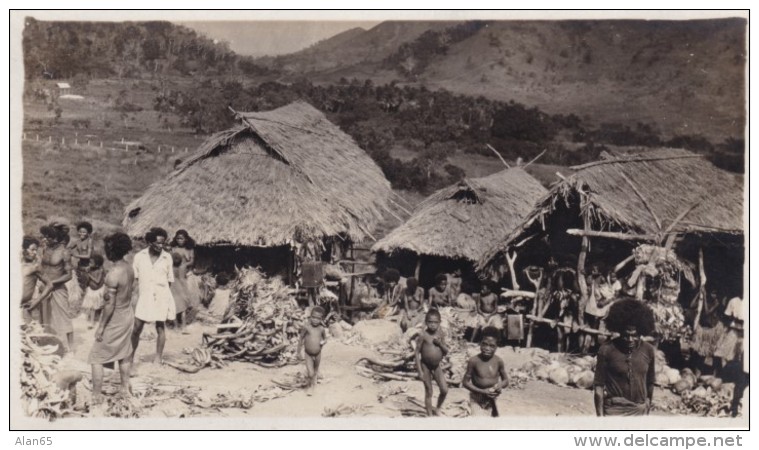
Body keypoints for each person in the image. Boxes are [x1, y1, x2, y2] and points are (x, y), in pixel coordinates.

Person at [89, 232, 135, 405]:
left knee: (96, 357)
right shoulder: (129, 268)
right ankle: (124, 389)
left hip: (115, 318)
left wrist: (101, 327)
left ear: (110, 251)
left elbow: (109, 306)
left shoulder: (113, 274)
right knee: (124, 353)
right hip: (127, 314)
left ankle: (96, 396)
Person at [593, 298, 656, 416]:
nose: (630, 340)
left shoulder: (648, 350)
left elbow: (650, 383)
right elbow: (598, 387)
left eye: (634, 335)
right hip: (614, 412)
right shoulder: (606, 350)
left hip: (639, 412)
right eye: (626, 335)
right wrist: (600, 418)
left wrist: (647, 407)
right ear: (619, 330)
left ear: (641, 332)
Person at [131, 227, 175, 366]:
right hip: (144, 296)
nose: (161, 246)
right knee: (137, 327)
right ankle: (130, 357)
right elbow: (135, 280)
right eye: (158, 243)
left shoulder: (167, 257)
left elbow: (169, 280)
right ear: (149, 242)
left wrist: (164, 297)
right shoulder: (139, 257)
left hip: (161, 296)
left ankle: (158, 357)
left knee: (160, 327)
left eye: (163, 243)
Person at [28, 223, 75, 351]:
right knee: (44, 317)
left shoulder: (64, 252)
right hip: (44, 287)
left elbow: (69, 275)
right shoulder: (45, 249)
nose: (47, 239)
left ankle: (71, 348)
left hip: (58, 288)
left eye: (50, 237)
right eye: (47, 236)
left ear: (58, 238)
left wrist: (52, 283)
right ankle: (46, 343)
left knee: (64, 317)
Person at [463, 326, 509, 417]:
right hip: (477, 397)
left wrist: (499, 386)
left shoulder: (498, 361)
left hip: (493, 398)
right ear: (480, 343)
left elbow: (506, 381)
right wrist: (482, 391)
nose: (487, 348)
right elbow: (465, 382)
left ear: (497, 346)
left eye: (492, 346)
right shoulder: (474, 361)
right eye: (484, 344)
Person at [414, 309, 450, 416]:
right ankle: (429, 415)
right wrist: (419, 370)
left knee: (444, 389)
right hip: (425, 365)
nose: (433, 325)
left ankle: (437, 408)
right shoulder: (423, 335)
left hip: (436, 366)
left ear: (439, 322)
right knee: (429, 391)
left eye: (435, 322)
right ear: (426, 322)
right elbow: (416, 353)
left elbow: (446, 351)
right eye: (430, 322)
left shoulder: (441, 334)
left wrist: (439, 344)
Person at [297, 306, 327, 396]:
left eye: (318, 318)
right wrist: (298, 351)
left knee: (315, 371)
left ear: (321, 319)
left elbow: (325, 339)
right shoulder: (307, 327)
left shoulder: (321, 329)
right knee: (310, 373)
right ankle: (310, 387)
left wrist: (323, 342)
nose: (315, 320)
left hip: (318, 353)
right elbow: (301, 338)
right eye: (313, 317)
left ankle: (314, 381)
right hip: (308, 353)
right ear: (310, 317)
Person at [170, 230, 197, 325]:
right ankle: (176, 320)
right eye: (178, 238)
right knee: (176, 296)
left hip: (186, 272)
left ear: (186, 239)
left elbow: (192, 261)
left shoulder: (189, 249)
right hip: (175, 273)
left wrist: (185, 265)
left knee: (187, 294)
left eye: (181, 238)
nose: (179, 240)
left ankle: (185, 319)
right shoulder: (173, 248)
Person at [81, 254, 106, 329]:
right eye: (89, 262)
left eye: (91, 263)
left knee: (98, 306)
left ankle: (97, 321)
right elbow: (87, 281)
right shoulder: (90, 269)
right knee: (91, 306)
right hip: (91, 290)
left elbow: (97, 281)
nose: (89, 264)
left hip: (98, 291)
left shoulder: (100, 271)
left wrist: (89, 275)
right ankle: (90, 321)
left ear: (97, 264)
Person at [21, 236, 41, 322]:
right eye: (32, 249)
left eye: (36, 250)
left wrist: (37, 300)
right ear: (24, 249)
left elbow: (48, 284)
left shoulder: (36, 266)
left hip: (28, 305)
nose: (35, 252)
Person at [69, 221, 94, 290]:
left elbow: (89, 256)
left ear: (88, 233)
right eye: (80, 232)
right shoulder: (77, 241)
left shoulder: (89, 241)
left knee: (88, 287)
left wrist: (76, 255)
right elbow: (68, 247)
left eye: (84, 232)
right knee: (80, 285)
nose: (81, 234)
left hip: (89, 266)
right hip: (80, 266)